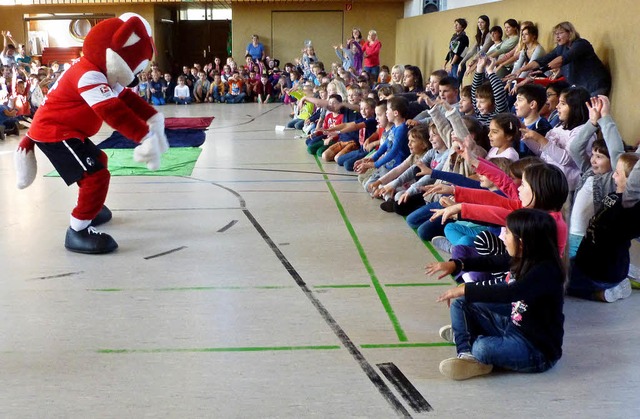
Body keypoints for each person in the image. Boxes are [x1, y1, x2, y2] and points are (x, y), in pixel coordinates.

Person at [427, 208, 565, 380]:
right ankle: (466, 354)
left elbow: (510, 293)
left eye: (507, 234)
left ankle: (469, 341)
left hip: (536, 349)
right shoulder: (524, 256)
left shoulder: (546, 271)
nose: (504, 239)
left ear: (521, 242)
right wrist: (457, 265)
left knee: (482, 347)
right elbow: (493, 261)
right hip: (513, 325)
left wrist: (466, 288)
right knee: (461, 303)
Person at [511, 22, 611, 96]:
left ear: (570, 33)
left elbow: (564, 59)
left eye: (560, 33)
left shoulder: (581, 44)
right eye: (555, 34)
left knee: (591, 119)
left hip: (595, 86)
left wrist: (542, 70)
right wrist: (520, 70)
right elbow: (544, 59)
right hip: (581, 87)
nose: (557, 37)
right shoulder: (561, 47)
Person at [444, 18, 469, 83]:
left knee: (455, 85)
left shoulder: (464, 37)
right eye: (454, 24)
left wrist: (451, 64)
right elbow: (451, 51)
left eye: (457, 24)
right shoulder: (454, 37)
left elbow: (458, 52)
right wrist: (445, 63)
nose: (455, 26)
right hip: (452, 63)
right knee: (449, 84)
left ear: (462, 27)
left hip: (458, 64)